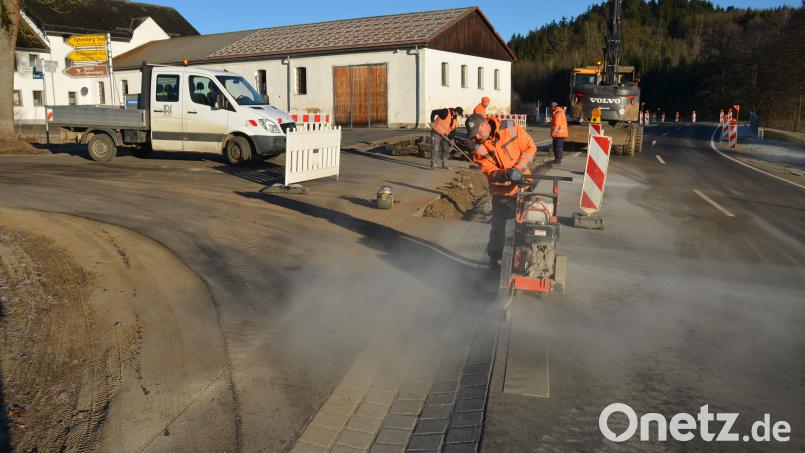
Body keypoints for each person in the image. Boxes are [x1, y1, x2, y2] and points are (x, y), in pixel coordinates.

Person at [465, 113, 536, 267]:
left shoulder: (510, 128)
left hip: (523, 187)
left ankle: (524, 261)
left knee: (524, 226)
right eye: (473, 134)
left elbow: (530, 148)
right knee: (498, 227)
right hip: (501, 192)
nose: (477, 136)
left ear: (485, 123)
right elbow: (489, 171)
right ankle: (494, 259)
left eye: (478, 132)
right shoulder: (478, 147)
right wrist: (505, 174)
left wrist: (518, 169)